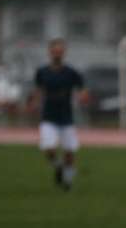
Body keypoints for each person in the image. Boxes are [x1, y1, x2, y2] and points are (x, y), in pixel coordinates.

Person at [30, 38, 87, 191]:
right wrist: (35, 102)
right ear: (50, 52)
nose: (57, 54)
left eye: (60, 51)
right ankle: (58, 166)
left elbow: (82, 88)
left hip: (66, 117)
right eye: (55, 51)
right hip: (48, 116)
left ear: (64, 53)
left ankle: (67, 183)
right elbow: (38, 90)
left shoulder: (71, 72)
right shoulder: (42, 72)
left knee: (69, 152)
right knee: (48, 148)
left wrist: (83, 96)